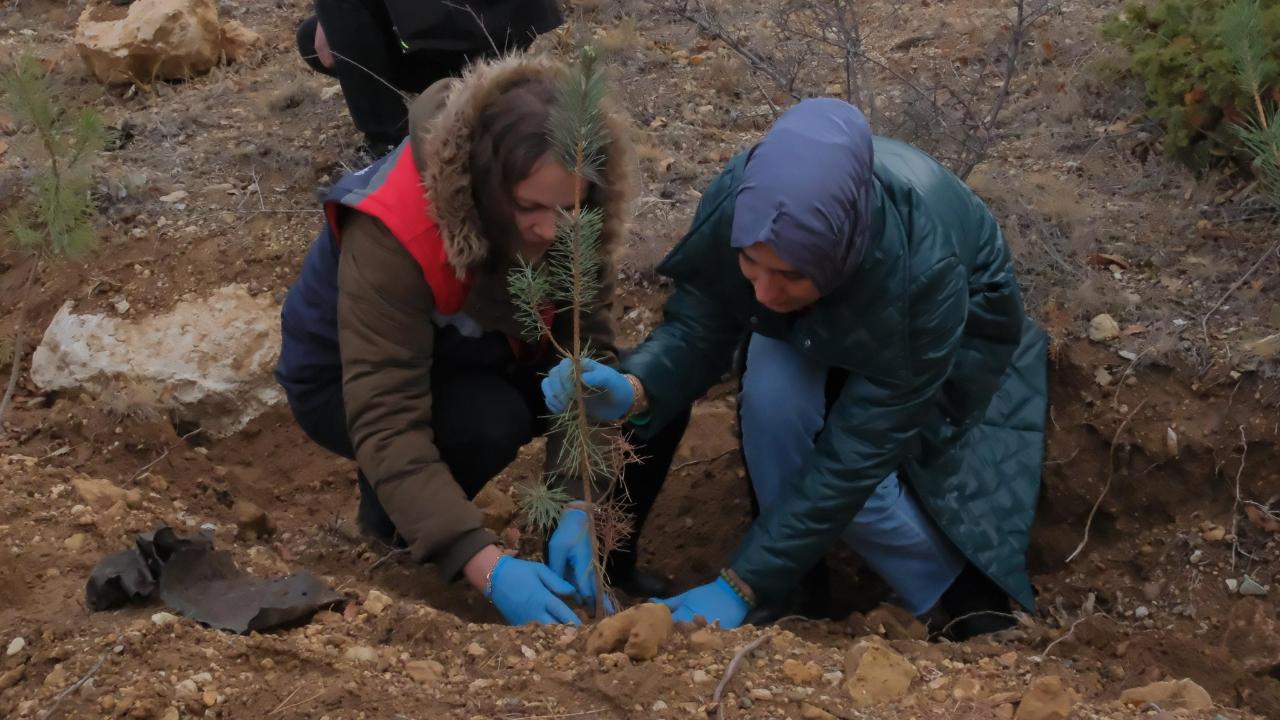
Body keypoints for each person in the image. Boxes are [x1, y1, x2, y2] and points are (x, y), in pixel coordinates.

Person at [543, 98, 1048, 639]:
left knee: (867, 492)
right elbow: (699, 327)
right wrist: (636, 387)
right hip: (827, 306)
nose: (761, 291)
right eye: (749, 264)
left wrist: (738, 586)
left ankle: (963, 601)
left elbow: (852, 459)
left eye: (786, 274)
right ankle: (793, 588)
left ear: (836, 255)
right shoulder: (743, 204)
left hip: (951, 318)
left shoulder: (922, 274)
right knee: (771, 401)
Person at [275, 54, 685, 626]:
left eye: (567, 207)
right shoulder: (396, 229)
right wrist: (478, 558)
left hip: (478, 342)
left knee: (608, 388)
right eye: (528, 208)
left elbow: (586, 354)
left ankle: (548, 546)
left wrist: (576, 501)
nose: (551, 229)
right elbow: (385, 414)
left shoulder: (576, 217)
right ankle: (395, 527)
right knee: (488, 421)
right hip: (343, 377)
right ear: (490, 189)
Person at [297, 0, 562, 153]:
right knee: (315, 35)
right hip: (502, 21)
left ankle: (389, 146)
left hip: (480, 22)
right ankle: (462, 90)